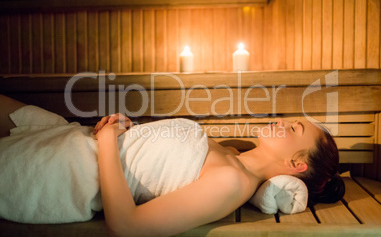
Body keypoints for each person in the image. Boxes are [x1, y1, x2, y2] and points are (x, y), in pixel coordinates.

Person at [0, 95, 345, 236]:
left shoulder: (233, 183)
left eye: (295, 129)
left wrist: (107, 141)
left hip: (65, 170)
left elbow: (126, 224)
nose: (283, 122)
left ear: (297, 164)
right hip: (77, 141)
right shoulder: (230, 154)